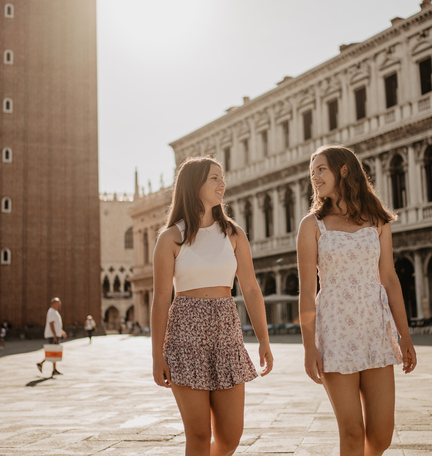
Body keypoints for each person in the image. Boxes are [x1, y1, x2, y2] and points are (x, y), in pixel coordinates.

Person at [297, 145, 417, 456]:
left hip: (375, 330)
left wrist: (404, 336)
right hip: (335, 333)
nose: (315, 176)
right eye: (312, 172)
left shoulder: (378, 220)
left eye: (321, 169)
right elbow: (307, 290)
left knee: (380, 436)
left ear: (344, 170)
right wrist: (310, 346)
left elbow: (389, 278)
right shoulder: (311, 225)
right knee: (351, 433)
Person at [151, 156, 273, 456]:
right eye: (214, 178)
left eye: (222, 177)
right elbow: (160, 300)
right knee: (198, 435)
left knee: (231, 436)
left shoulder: (233, 234)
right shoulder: (171, 238)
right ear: (194, 185)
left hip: (226, 335)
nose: (222, 184)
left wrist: (264, 340)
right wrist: (157, 356)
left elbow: (252, 290)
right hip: (184, 338)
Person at [37, 297, 67, 376]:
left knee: (54, 351)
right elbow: (51, 324)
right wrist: (54, 335)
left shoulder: (54, 312)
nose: (59, 305)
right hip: (52, 335)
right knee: (53, 351)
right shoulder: (52, 312)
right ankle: (41, 363)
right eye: (58, 303)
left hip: (54, 334)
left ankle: (54, 369)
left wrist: (61, 332)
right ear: (53, 303)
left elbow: (56, 325)